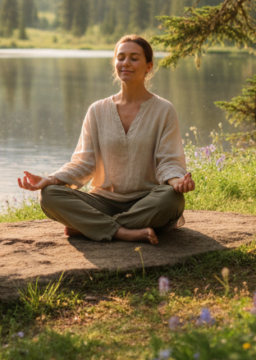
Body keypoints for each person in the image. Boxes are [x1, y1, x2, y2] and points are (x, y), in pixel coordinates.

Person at [17, 34, 195, 244]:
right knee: (49, 195)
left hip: (147, 201)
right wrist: (51, 179)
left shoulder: (164, 110)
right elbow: (83, 163)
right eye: (121, 57)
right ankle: (123, 231)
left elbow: (168, 161)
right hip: (103, 201)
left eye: (134, 58)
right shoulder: (97, 110)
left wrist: (177, 182)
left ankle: (91, 227)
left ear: (148, 67)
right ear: (115, 63)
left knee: (171, 199)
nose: (126, 63)